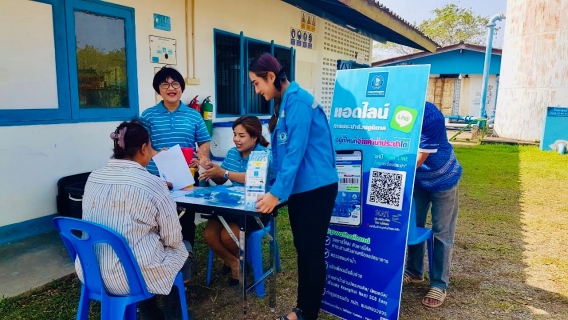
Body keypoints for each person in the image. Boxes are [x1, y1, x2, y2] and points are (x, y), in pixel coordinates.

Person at [249, 53, 338, 320]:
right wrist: (272, 185)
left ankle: (306, 314)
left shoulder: (297, 101)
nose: (256, 90)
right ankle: (302, 310)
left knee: (311, 252)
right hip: (301, 187)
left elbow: (296, 152)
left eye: (257, 83)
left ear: (271, 77)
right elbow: (283, 154)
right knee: (304, 249)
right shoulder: (284, 102)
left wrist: (276, 193)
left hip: (316, 188)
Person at [77, 120, 194, 320]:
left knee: (142, 250)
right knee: (183, 249)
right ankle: (172, 314)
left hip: (91, 273)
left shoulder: (94, 177)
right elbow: (172, 239)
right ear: (143, 148)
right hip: (133, 278)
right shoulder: (153, 184)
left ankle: (149, 312)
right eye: (150, 146)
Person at [140, 66, 212, 247]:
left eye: (175, 84)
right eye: (165, 84)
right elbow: (143, 145)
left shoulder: (194, 115)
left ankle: (186, 257)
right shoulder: (148, 115)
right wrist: (159, 155)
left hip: (185, 175)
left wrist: (201, 157)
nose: (171, 88)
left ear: (181, 88)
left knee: (185, 218)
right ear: (158, 89)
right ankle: (159, 255)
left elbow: (204, 141)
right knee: (157, 217)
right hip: (156, 176)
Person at [198, 115, 271, 286]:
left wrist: (223, 173)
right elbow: (222, 180)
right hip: (230, 205)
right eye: (234, 134)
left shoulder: (263, 154)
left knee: (228, 236)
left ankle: (240, 262)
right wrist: (211, 169)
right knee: (209, 234)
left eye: (242, 135)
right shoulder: (232, 153)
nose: (236, 139)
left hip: (256, 208)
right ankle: (234, 263)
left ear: (255, 136)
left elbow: (253, 178)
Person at [403, 101, 462, 308]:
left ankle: (439, 283)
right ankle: (414, 271)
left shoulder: (431, 115)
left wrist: (392, 167)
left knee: (441, 232)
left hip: (443, 178)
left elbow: (420, 157)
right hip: (418, 180)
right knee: (414, 227)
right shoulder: (397, 110)